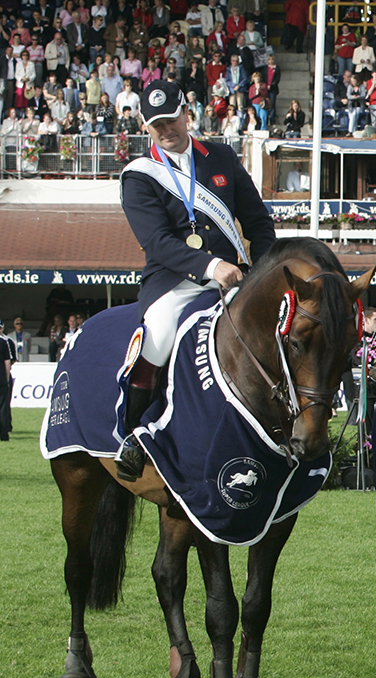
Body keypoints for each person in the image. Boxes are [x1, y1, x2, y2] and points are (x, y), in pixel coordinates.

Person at [114, 80, 276, 482]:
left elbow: (257, 221)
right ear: (145, 126)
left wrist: (264, 269)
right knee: (159, 333)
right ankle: (134, 434)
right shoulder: (138, 176)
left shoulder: (220, 157)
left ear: (187, 112)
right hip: (174, 282)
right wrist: (211, 267)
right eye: (156, 126)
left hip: (235, 278)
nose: (166, 130)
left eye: (171, 120)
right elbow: (157, 242)